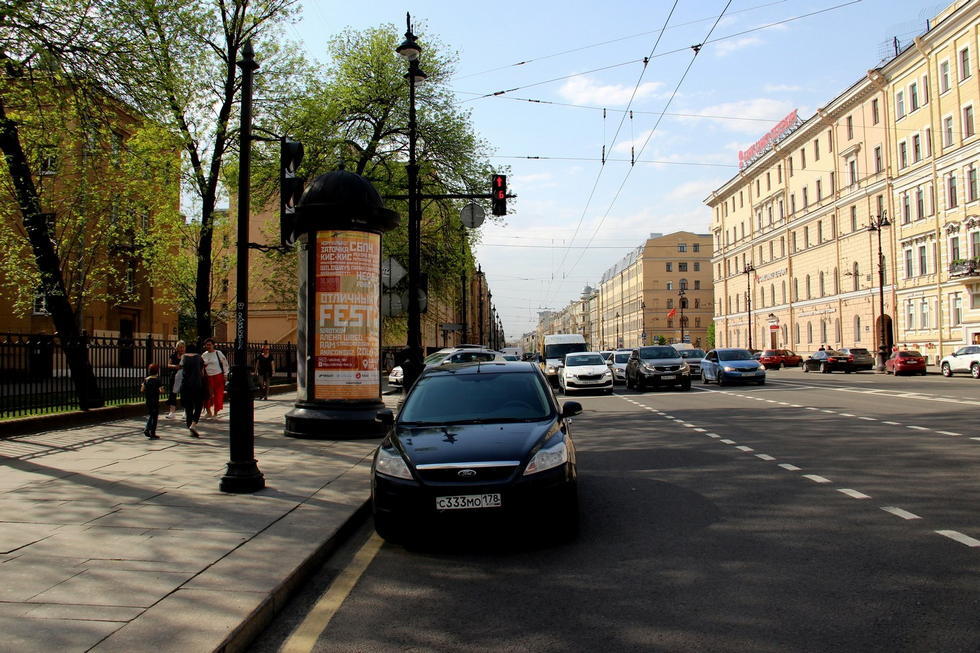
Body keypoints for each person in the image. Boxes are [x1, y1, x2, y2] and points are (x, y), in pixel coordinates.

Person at [180, 342, 206, 437]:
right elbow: (202, 372)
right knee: (199, 405)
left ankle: (189, 425)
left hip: (186, 384)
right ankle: (194, 424)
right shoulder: (199, 358)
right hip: (197, 384)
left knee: (188, 407)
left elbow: (181, 367)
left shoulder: (183, 357)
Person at [201, 338, 228, 418]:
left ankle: (215, 412)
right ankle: (208, 412)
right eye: (207, 345)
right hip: (208, 376)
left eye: (210, 345)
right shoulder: (204, 355)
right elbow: (201, 365)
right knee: (207, 394)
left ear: (213, 345)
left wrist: (225, 374)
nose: (208, 346)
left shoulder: (218, 353)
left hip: (218, 375)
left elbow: (225, 364)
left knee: (218, 394)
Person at [140, 363, 162, 439]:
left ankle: (150, 431)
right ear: (157, 371)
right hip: (155, 400)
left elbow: (142, 389)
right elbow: (161, 390)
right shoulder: (158, 380)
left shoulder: (146, 379)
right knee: (154, 416)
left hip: (148, 400)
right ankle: (150, 430)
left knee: (151, 414)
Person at [165, 340, 185, 419]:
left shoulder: (186, 356)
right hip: (174, 375)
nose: (182, 349)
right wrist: (175, 366)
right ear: (177, 348)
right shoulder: (173, 355)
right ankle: (172, 411)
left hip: (184, 376)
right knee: (172, 393)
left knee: (184, 393)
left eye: (183, 347)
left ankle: (185, 411)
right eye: (180, 347)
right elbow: (168, 365)